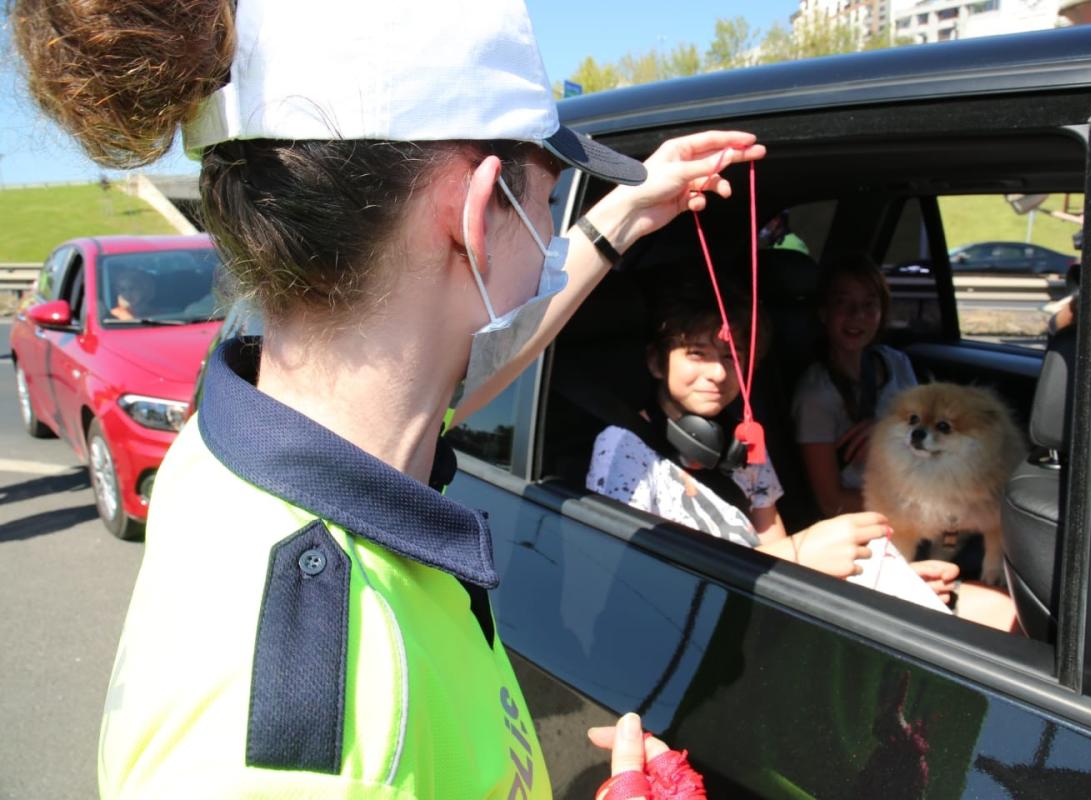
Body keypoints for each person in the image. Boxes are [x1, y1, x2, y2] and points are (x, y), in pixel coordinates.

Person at [12, 0, 766, 796]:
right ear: (479, 214)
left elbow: (456, 368)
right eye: (549, 200)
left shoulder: (238, 437)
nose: (553, 233)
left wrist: (622, 218)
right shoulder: (305, 741)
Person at [586, 283, 964, 606]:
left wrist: (877, 580)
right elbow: (626, 583)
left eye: (733, 358)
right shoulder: (624, 447)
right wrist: (801, 555)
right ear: (657, 362)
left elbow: (773, 543)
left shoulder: (742, 441)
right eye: (697, 354)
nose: (718, 373)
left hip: (761, 603)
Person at [792, 254, 918, 517]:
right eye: (843, 303)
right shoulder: (817, 393)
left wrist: (889, 433)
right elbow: (830, 502)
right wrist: (917, 508)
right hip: (872, 517)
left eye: (869, 305)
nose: (857, 315)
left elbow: (924, 429)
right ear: (824, 313)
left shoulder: (896, 363)